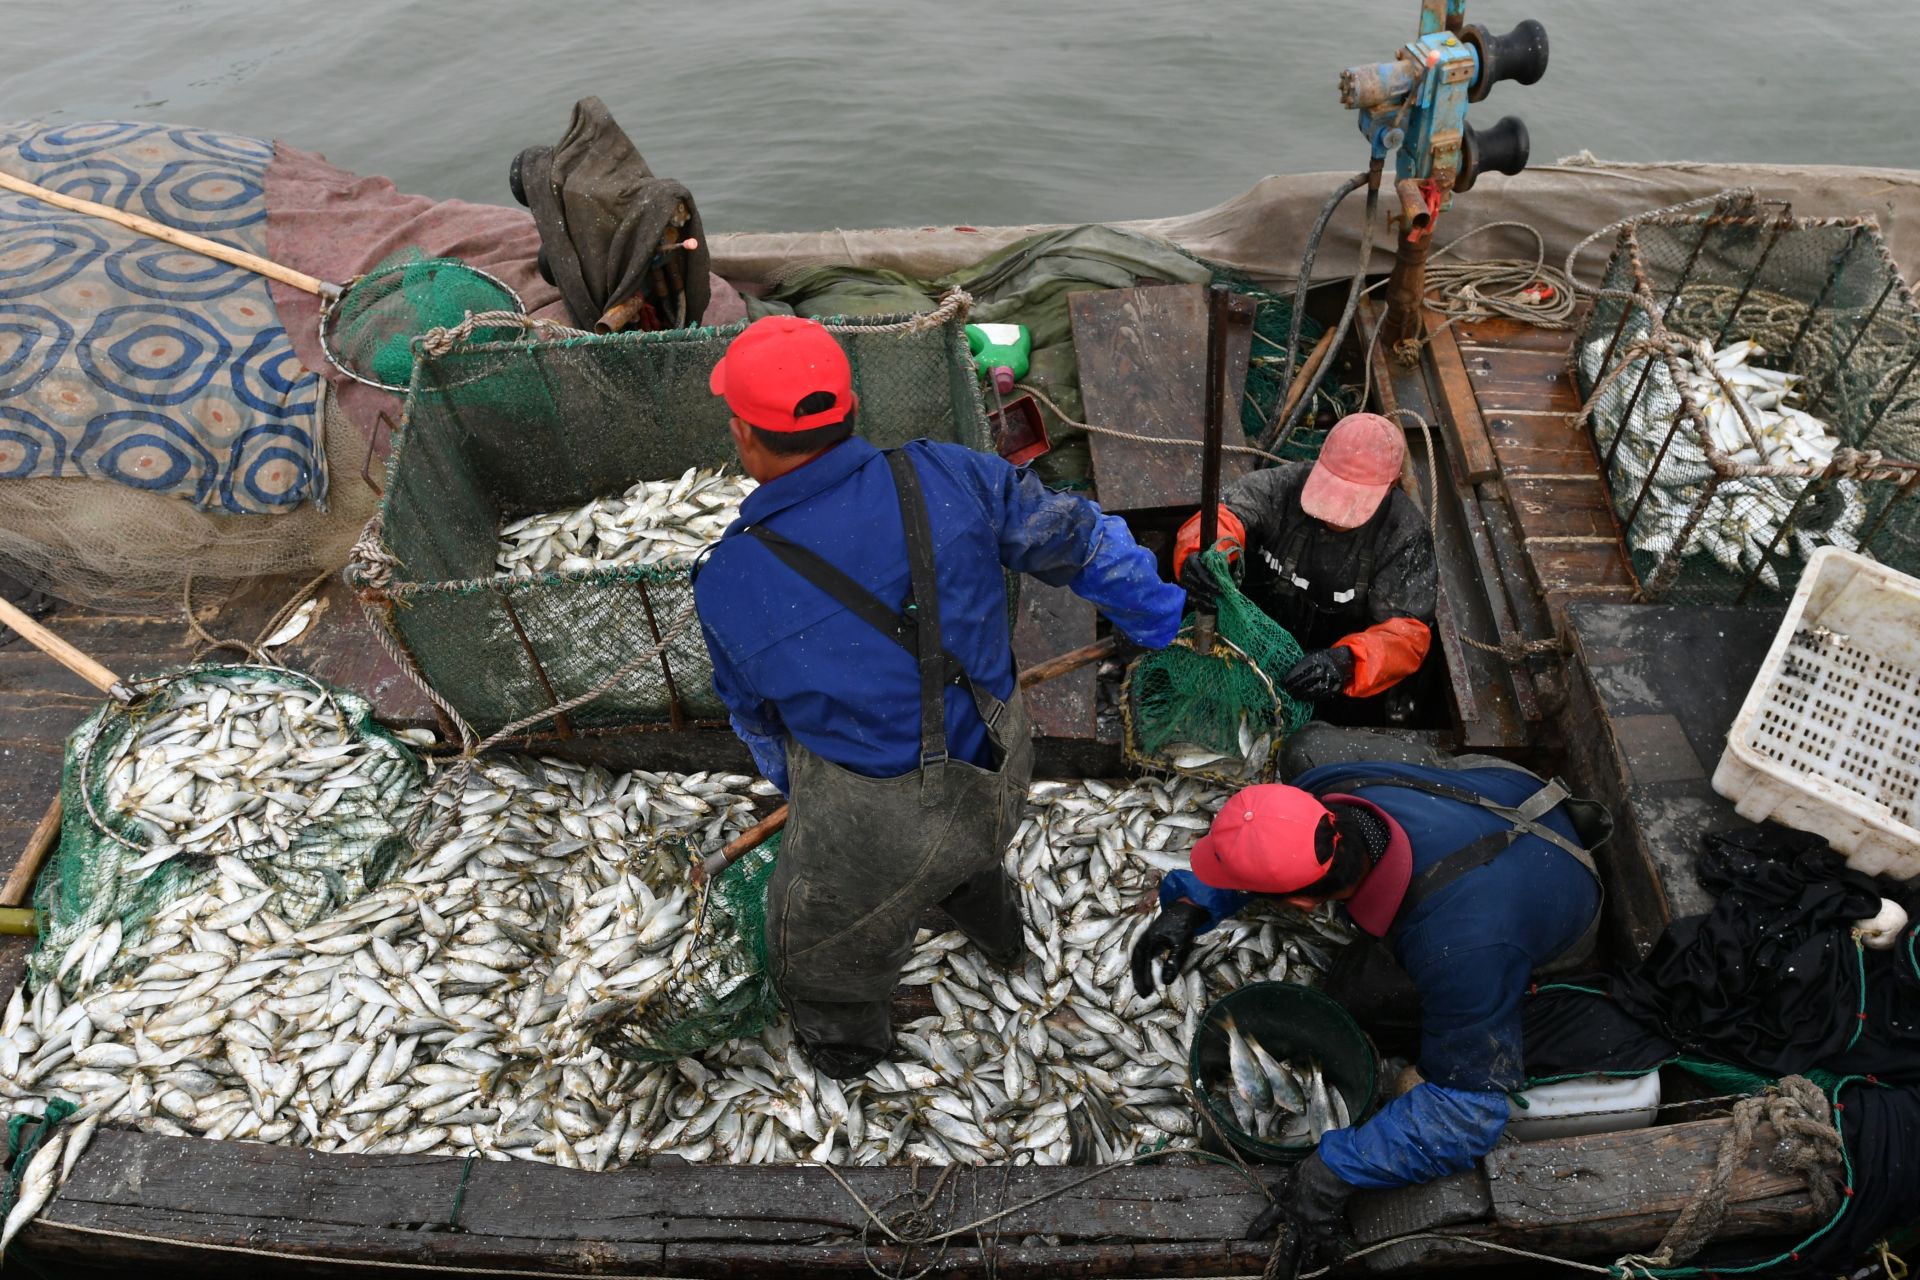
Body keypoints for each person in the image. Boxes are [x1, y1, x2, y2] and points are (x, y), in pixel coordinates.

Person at [693, 315, 1186, 1079]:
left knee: (819, 939)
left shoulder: (729, 580)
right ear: (853, 411)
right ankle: (996, 932)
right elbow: (1082, 541)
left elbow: (756, 720)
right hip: (1000, 758)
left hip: (876, 815)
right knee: (968, 847)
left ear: (745, 439)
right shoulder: (952, 473)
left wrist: (806, 795)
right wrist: (1159, 619)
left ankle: (847, 1046)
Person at [1129, 725, 1605, 1265]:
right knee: (1308, 743)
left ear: (1306, 905)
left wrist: (1335, 1170)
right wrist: (1193, 903)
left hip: (1559, 885)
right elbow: (1271, 843)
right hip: (1494, 797)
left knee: (1360, 996)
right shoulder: (1335, 790)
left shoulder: (1455, 947)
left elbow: (1473, 1114)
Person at [1173, 412, 1436, 714]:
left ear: (1392, 486)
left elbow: (1407, 636)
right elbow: (1225, 516)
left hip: (1330, 683)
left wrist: (1346, 662)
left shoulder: (1405, 535)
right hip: (1243, 653)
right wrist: (1199, 556)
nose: (1334, 514)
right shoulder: (1279, 487)